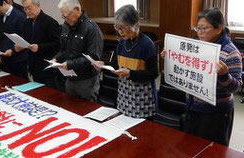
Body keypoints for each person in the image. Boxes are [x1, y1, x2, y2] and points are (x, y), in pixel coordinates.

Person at [161, 8, 242, 146]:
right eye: (197, 28)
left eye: (204, 28)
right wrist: (172, 57)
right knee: (191, 147)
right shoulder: (196, 45)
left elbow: (236, 87)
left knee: (211, 151)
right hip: (193, 107)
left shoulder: (230, 52)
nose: (199, 32)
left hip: (216, 113)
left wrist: (224, 75)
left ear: (218, 29)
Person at [93, 5, 158, 119]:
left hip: (142, 100)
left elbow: (153, 73)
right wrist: (103, 65)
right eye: (117, 27)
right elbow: (115, 64)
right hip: (124, 96)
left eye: (122, 28)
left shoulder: (147, 44)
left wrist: (130, 74)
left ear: (136, 25)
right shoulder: (122, 43)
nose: (119, 32)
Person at [52, 0, 103, 101]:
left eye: (67, 16)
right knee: (70, 108)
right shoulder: (66, 26)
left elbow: (93, 57)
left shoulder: (91, 28)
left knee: (87, 111)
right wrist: (56, 59)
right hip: (70, 78)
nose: (65, 19)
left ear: (77, 9)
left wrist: (70, 64)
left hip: (87, 80)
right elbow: (63, 49)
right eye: (63, 17)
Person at [5, 0, 62, 88]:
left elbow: (57, 44)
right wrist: (16, 48)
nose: (27, 11)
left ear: (38, 5)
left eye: (29, 8)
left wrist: (39, 47)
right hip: (34, 65)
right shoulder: (26, 23)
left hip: (48, 66)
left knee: (50, 95)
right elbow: (26, 41)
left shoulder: (50, 22)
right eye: (25, 8)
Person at [0, 0, 28, 79]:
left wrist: (12, 50)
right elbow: (2, 37)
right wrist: (0, 54)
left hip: (18, 59)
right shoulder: (0, 16)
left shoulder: (19, 16)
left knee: (20, 83)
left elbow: (25, 38)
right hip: (5, 58)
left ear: (4, 3)